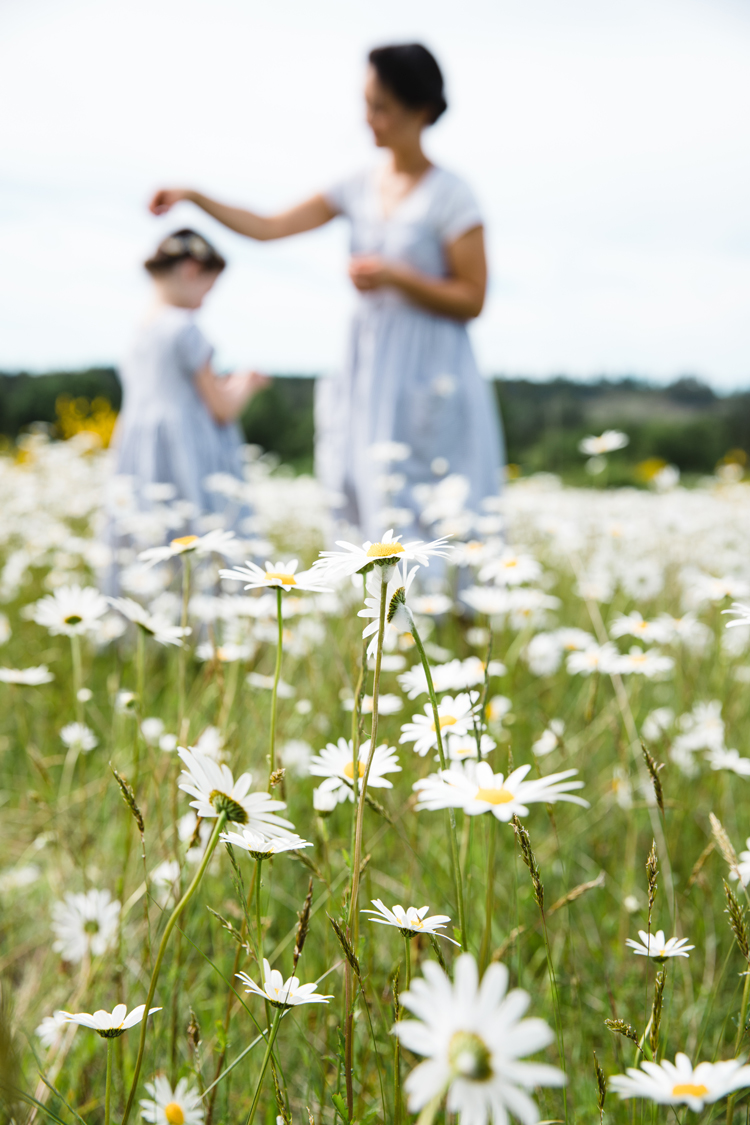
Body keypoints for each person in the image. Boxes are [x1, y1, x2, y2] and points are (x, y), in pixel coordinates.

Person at [148, 43, 504, 542]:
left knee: (443, 506)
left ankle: (458, 619)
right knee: (369, 497)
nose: (368, 119)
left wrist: (397, 277)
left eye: (381, 107)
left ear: (420, 110)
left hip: (431, 369)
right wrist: (195, 196)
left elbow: (474, 298)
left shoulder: (452, 195)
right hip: (369, 363)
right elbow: (270, 226)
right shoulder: (357, 184)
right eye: (366, 104)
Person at [107, 229, 266, 576]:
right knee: (200, 531)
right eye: (208, 288)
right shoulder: (185, 328)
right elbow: (221, 409)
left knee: (149, 535)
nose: (205, 300)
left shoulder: (139, 330)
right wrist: (246, 384)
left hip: (138, 449)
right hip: (187, 450)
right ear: (191, 270)